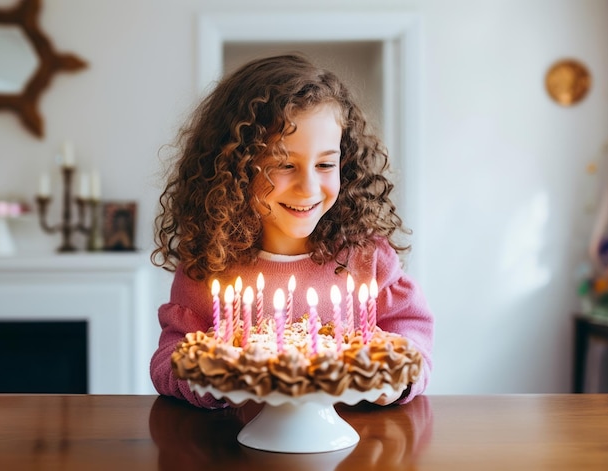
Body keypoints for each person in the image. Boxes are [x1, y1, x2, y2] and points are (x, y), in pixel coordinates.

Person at [150, 54, 434, 409]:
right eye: (284, 164)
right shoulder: (210, 265)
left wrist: (397, 381)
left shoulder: (367, 257)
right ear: (235, 167)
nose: (308, 187)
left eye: (325, 164)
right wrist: (212, 375)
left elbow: (412, 338)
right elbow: (168, 362)